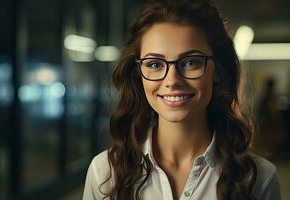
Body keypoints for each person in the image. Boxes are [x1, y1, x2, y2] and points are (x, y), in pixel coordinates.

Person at [83, 0, 282, 199]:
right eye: (154, 64)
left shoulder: (259, 178)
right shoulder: (104, 173)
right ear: (138, 74)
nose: (172, 80)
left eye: (190, 62)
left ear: (218, 72)